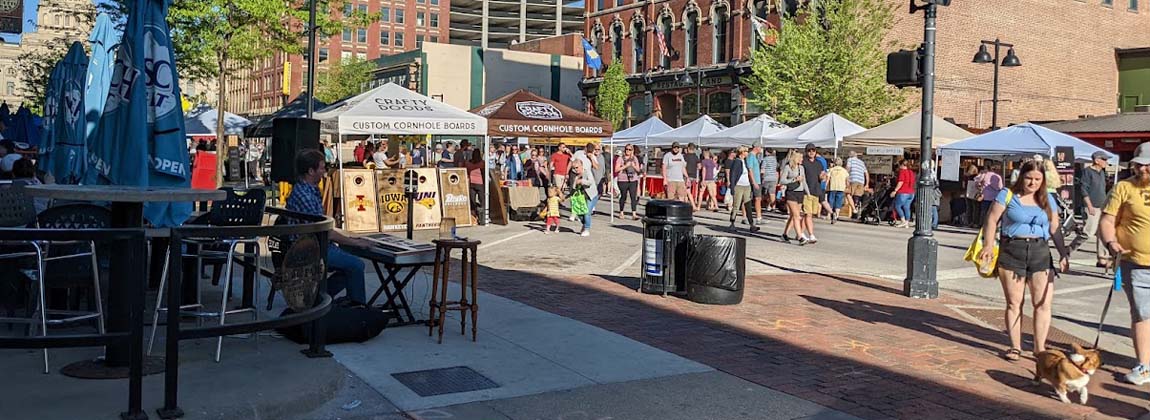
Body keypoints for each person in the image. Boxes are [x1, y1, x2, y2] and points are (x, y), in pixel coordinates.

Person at [979, 159, 1069, 362]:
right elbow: (992, 219)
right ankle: (1015, 346)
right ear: (1021, 177)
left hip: (1040, 251)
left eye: (1038, 179)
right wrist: (988, 245)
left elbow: (1055, 227)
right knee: (1014, 303)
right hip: (1013, 250)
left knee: (1043, 303)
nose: (1033, 183)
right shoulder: (1008, 195)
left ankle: (1040, 348)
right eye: (1029, 178)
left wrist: (1063, 253)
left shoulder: (1048, 198)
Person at [286, 150, 368, 305]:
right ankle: (357, 307)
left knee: (349, 264)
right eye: (322, 168)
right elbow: (325, 232)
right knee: (356, 265)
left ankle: (321, 296)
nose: (325, 172)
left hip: (315, 243)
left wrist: (349, 238)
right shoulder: (305, 195)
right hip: (312, 249)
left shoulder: (307, 189)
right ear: (311, 171)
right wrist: (356, 242)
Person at [1098, 142, 1150, 385]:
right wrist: (1111, 243)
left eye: (1148, 166)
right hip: (1135, 262)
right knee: (1142, 313)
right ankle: (1144, 365)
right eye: (1140, 166)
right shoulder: (1123, 187)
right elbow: (1107, 220)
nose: (1143, 171)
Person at [1080, 151, 1112, 268]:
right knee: (1088, 233)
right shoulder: (1087, 172)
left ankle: (1102, 259)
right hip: (1092, 205)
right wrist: (1089, 206)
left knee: (1102, 234)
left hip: (1102, 205)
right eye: (1104, 159)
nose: (1106, 162)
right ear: (1096, 160)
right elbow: (1084, 189)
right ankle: (1068, 251)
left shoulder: (1102, 173)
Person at [725, 146, 760, 232]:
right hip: (739, 186)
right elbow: (733, 175)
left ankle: (752, 224)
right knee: (736, 205)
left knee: (748, 204)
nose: (747, 153)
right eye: (746, 151)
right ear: (742, 152)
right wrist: (732, 187)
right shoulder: (737, 162)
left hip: (747, 185)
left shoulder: (745, 161)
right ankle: (732, 222)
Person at [780, 150, 809, 244]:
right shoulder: (788, 167)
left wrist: (808, 193)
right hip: (791, 192)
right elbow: (782, 181)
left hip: (800, 192)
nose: (802, 159)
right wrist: (794, 179)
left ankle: (784, 234)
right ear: (795, 158)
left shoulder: (802, 168)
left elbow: (804, 181)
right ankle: (800, 236)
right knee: (797, 215)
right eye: (800, 157)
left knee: (793, 216)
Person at [800, 144, 826, 243]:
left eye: (813, 150)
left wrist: (823, 176)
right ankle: (811, 235)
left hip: (816, 190)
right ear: (806, 152)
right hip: (806, 191)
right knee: (808, 214)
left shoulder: (818, 163)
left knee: (809, 214)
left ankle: (801, 232)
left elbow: (820, 177)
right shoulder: (804, 163)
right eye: (809, 150)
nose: (811, 152)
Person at [571, 158, 599, 236]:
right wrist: (575, 181)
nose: (575, 169)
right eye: (573, 168)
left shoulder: (587, 172)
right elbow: (573, 188)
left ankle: (587, 229)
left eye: (577, 167)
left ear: (581, 166)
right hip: (581, 197)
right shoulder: (576, 175)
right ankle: (585, 224)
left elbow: (590, 182)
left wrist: (581, 181)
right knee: (579, 213)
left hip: (591, 195)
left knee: (587, 212)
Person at [614, 144, 643, 219]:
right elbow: (616, 169)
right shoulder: (620, 158)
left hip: (633, 179)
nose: (628, 151)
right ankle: (621, 212)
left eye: (630, 149)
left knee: (633, 196)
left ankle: (634, 213)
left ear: (632, 150)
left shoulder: (635, 158)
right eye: (626, 149)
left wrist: (633, 166)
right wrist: (625, 166)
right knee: (623, 196)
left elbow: (638, 170)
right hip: (623, 179)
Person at [891, 160, 917, 228]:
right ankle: (907, 222)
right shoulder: (911, 172)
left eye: (899, 165)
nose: (899, 167)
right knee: (907, 207)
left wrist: (895, 190)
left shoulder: (902, 172)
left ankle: (903, 221)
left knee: (897, 206)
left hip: (903, 192)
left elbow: (901, 182)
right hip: (911, 193)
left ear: (902, 165)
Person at [465, 149, 485, 224]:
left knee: (472, 201)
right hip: (480, 183)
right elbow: (484, 173)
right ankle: (482, 217)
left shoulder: (468, 163)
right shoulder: (482, 163)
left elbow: (466, 170)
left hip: (471, 183)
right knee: (482, 201)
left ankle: (473, 217)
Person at [827, 158, 849, 224]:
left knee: (831, 200)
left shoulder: (831, 170)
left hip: (833, 187)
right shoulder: (844, 171)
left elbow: (828, 178)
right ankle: (837, 215)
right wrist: (847, 186)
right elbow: (847, 180)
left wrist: (825, 186)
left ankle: (829, 214)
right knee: (838, 202)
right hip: (841, 188)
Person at [846, 151, 868, 218]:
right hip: (861, 181)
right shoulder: (861, 162)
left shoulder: (850, 160)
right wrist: (867, 184)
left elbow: (847, 169)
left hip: (853, 179)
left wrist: (846, 179)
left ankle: (854, 210)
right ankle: (855, 210)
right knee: (857, 196)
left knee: (847, 193)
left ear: (850, 156)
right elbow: (866, 173)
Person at [760, 148, 779, 215]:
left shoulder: (765, 159)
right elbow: (776, 168)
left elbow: (763, 168)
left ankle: (767, 206)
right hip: (774, 178)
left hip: (766, 177)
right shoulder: (775, 159)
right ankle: (773, 206)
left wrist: (761, 176)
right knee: (772, 193)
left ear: (767, 152)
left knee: (765, 193)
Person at [747, 146, 763, 222]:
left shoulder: (755, 157)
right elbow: (750, 169)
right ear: (756, 147)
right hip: (754, 181)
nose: (761, 149)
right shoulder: (750, 156)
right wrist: (754, 182)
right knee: (755, 198)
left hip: (758, 180)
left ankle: (759, 216)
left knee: (758, 198)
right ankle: (757, 217)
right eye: (760, 147)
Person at [684, 143, 701, 211]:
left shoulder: (685, 156)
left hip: (686, 175)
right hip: (693, 175)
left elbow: (683, 166)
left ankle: (693, 205)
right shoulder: (696, 157)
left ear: (688, 148)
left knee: (687, 191)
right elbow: (699, 167)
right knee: (686, 191)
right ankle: (686, 205)